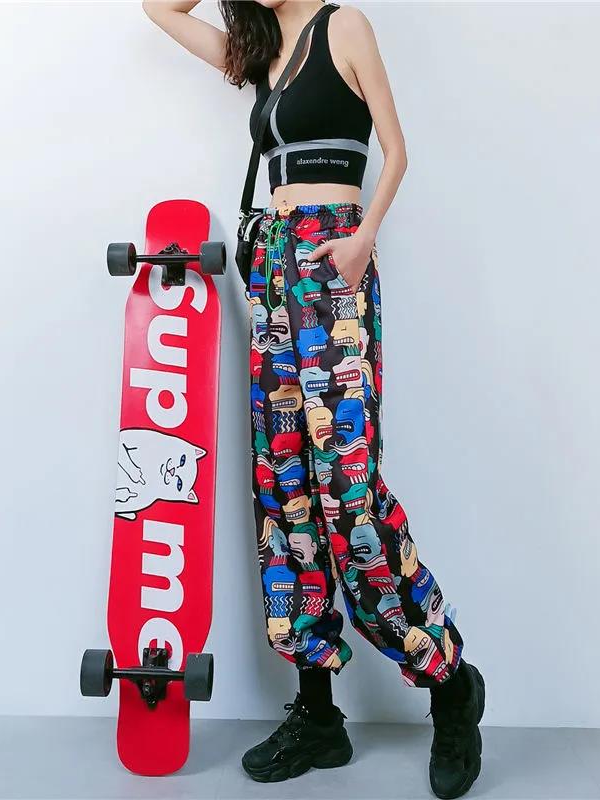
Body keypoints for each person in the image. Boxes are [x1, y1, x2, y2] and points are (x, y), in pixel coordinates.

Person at [142, 1, 486, 797]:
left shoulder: (344, 26)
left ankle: (448, 683)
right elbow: (159, 8)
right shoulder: (260, 50)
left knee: (349, 491)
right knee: (284, 487)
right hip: (274, 271)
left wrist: (364, 237)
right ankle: (319, 714)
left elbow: (397, 149)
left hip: (334, 267)